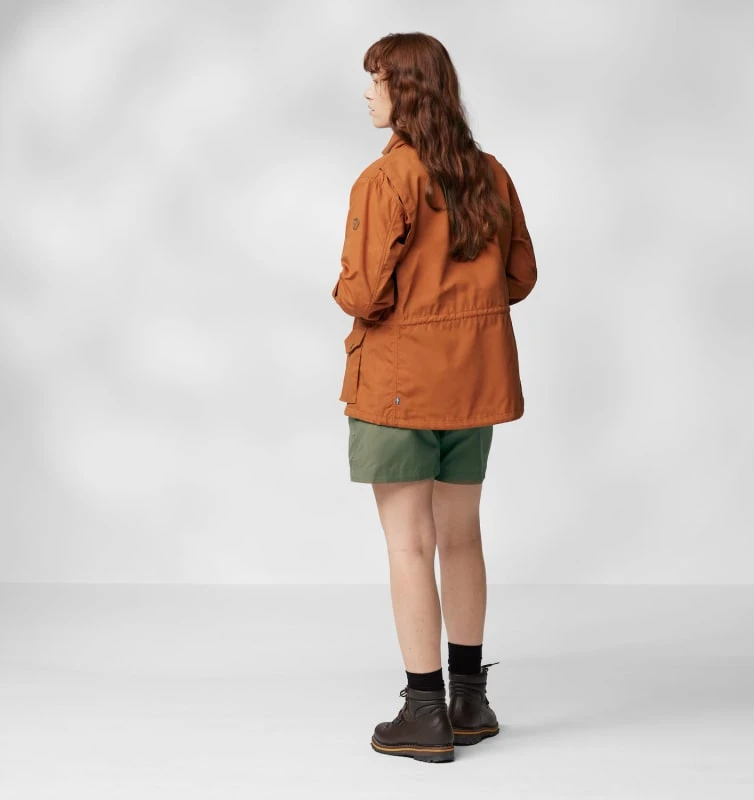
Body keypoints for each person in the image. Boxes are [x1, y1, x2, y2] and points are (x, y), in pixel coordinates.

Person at [331, 32, 537, 763]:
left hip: (398, 388)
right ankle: (469, 701)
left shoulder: (385, 179)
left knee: (409, 543)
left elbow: (362, 292)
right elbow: (519, 277)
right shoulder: (490, 174)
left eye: (378, 80)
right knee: (461, 537)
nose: (368, 93)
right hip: (473, 384)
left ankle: (423, 712)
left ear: (408, 92)